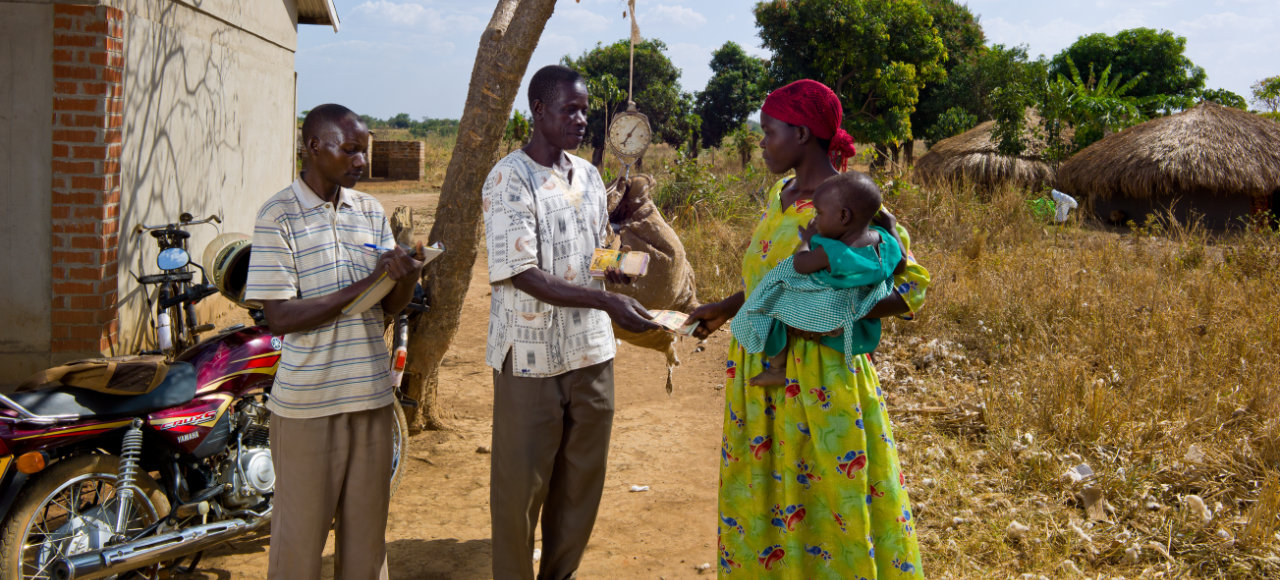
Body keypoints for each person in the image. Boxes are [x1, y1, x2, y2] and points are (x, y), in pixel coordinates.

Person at [686, 79, 930, 578]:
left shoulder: (852, 207)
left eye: (768, 131)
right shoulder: (783, 194)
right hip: (759, 379)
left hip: (820, 382)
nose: (761, 142)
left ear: (800, 133)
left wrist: (837, 314)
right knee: (767, 500)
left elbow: (912, 285)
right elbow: (772, 277)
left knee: (826, 500)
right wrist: (728, 308)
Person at [482, 64, 659, 580]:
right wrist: (607, 303)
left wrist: (621, 269)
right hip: (530, 359)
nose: (581, 119)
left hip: (591, 353)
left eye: (585, 110)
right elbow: (523, 274)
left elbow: (598, 254)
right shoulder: (508, 177)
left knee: (581, 483)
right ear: (539, 112)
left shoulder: (589, 173)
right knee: (521, 490)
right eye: (571, 109)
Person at [245, 104, 424, 580]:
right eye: (350, 150)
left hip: (369, 399)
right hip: (308, 408)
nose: (361, 162)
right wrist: (365, 284)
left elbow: (389, 308)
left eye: (362, 151)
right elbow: (280, 316)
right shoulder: (277, 216)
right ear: (313, 147)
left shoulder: (369, 211)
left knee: (366, 547)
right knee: (298, 547)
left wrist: (405, 275)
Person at [734, 172, 904, 387]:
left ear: (843, 216)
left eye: (820, 213)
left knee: (774, 300)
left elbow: (800, 264)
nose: (815, 219)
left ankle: (778, 368)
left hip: (822, 312)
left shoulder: (831, 251)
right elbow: (902, 264)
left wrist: (807, 240)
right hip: (860, 318)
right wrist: (891, 228)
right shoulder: (883, 242)